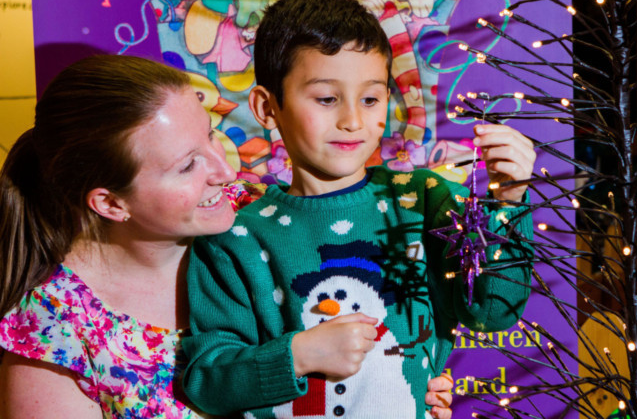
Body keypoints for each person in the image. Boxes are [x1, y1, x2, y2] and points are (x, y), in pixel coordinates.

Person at [0, 54, 455, 419]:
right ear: (111, 203)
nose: (223, 170)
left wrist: (402, 384)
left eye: (212, 138)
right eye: (186, 166)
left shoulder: (258, 212)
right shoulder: (53, 337)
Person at [182, 0, 535, 419]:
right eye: (327, 99)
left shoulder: (422, 200)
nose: (352, 120)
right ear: (267, 107)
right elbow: (207, 381)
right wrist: (297, 354)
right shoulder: (235, 236)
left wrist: (509, 201)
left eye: (370, 99)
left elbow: (494, 311)